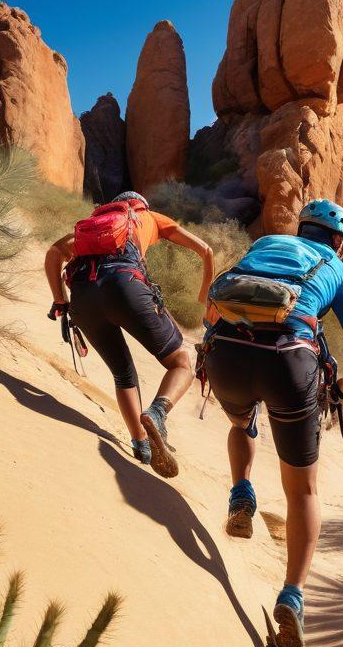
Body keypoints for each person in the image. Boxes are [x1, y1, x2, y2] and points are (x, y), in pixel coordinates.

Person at [201, 199, 343, 647]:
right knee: (303, 490)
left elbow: (215, 304)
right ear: (339, 240)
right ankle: (292, 597)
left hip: (226, 354)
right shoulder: (337, 268)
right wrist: (340, 392)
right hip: (288, 361)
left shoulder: (265, 243)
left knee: (242, 421)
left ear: (301, 229)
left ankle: (241, 492)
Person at [44, 191, 215, 478]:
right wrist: (205, 299)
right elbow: (205, 249)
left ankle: (141, 444)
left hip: (83, 299)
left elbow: (53, 254)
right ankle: (158, 412)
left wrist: (60, 300)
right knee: (180, 363)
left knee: (123, 374)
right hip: (126, 286)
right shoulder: (149, 217)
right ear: (140, 205)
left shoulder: (91, 226)